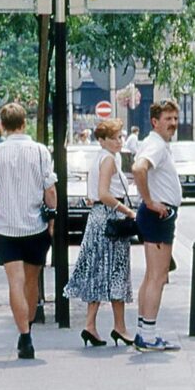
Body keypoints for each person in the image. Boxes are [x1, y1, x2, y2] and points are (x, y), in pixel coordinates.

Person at [0, 103, 58, 360]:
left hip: (5, 227)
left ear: (2, 125)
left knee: (14, 281)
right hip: (35, 225)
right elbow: (50, 190)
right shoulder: (40, 151)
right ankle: (29, 328)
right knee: (31, 280)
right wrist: (52, 219)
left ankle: (24, 336)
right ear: (24, 122)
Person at [63, 118, 134, 347]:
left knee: (98, 270)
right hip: (110, 217)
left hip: (98, 217)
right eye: (113, 138)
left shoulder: (102, 158)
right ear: (102, 140)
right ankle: (119, 327)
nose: (118, 141)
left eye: (120, 137)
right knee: (117, 270)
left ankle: (90, 325)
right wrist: (128, 212)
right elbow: (104, 193)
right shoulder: (108, 160)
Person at [129, 99, 183, 351]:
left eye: (175, 118)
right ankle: (148, 334)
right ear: (155, 122)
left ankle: (144, 331)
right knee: (158, 277)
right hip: (158, 216)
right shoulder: (156, 146)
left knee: (152, 276)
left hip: (156, 215)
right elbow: (138, 169)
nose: (173, 123)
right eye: (168, 119)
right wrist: (150, 202)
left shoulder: (156, 144)